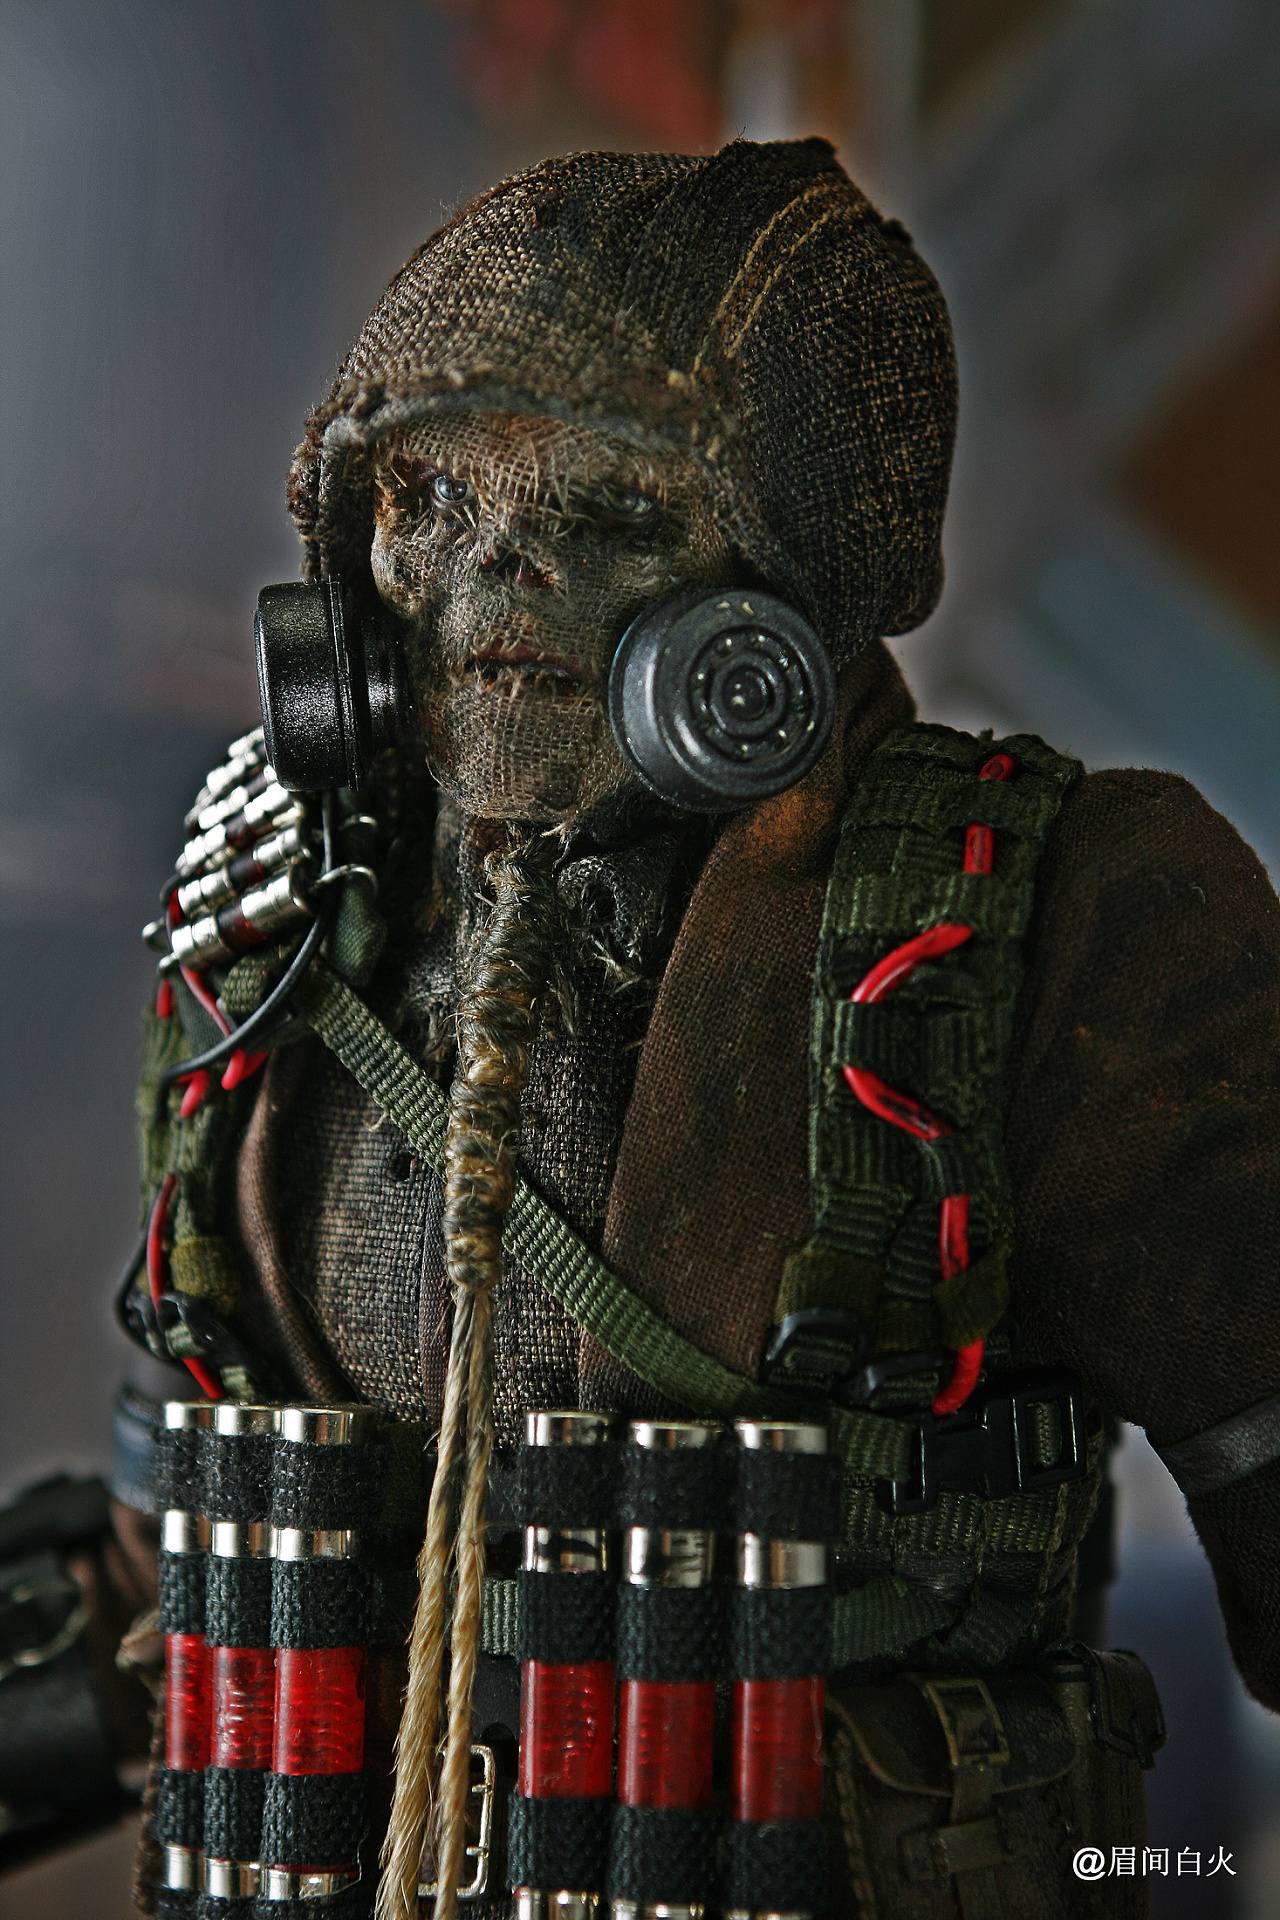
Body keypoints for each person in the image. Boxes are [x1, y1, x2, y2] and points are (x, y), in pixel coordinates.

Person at [8, 136, 1280, 1920]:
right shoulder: (280, 926)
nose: (497, 579)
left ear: (778, 610)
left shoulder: (1052, 924)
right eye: (428, 500)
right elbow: (192, 1534)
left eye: (615, 515)